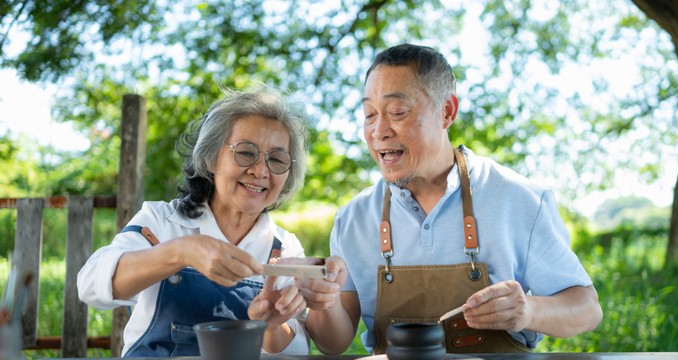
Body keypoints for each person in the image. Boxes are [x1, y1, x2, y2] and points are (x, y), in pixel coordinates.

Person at [301, 44, 603, 355]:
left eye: (397, 112)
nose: (379, 131)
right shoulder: (353, 218)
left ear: (446, 112)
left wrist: (529, 311)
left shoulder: (519, 199)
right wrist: (322, 301)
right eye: (369, 115)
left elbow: (586, 308)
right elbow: (332, 342)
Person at [77, 85, 311, 356]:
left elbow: (296, 350)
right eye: (246, 153)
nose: (260, 170)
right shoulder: (161, 221)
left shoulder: (284, 249)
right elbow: (90, 285)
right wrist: (180, 252)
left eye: (277, 159)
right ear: (211, 157)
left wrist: (271, 327)